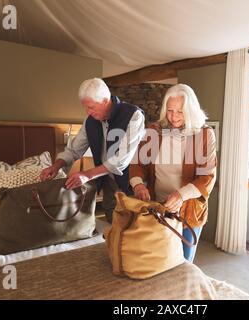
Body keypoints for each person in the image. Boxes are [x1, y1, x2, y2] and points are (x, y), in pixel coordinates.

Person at [129, 84, 217, 262]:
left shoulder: (204, 134)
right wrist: (138, 184)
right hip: (157, 207)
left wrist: (181, 195)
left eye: (180, 111)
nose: (174, 117)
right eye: (170, 111)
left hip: (189, 210)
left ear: (190, 110)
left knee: (183, 263)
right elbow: (138, 163)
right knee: (157, 260)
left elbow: (207, 177)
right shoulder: (155, 131)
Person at [40, 78, 145, 223]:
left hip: (132, 183)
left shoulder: (134, 116)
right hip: (108, 182)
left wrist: (87, 175)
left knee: (134, 230)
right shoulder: (90, 121)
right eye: (85, 107)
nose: (87, 112)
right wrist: (56, 165)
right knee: (111, 227)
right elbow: (74, 149)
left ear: (104, 100)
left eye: (91, 107)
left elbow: (121, 160)